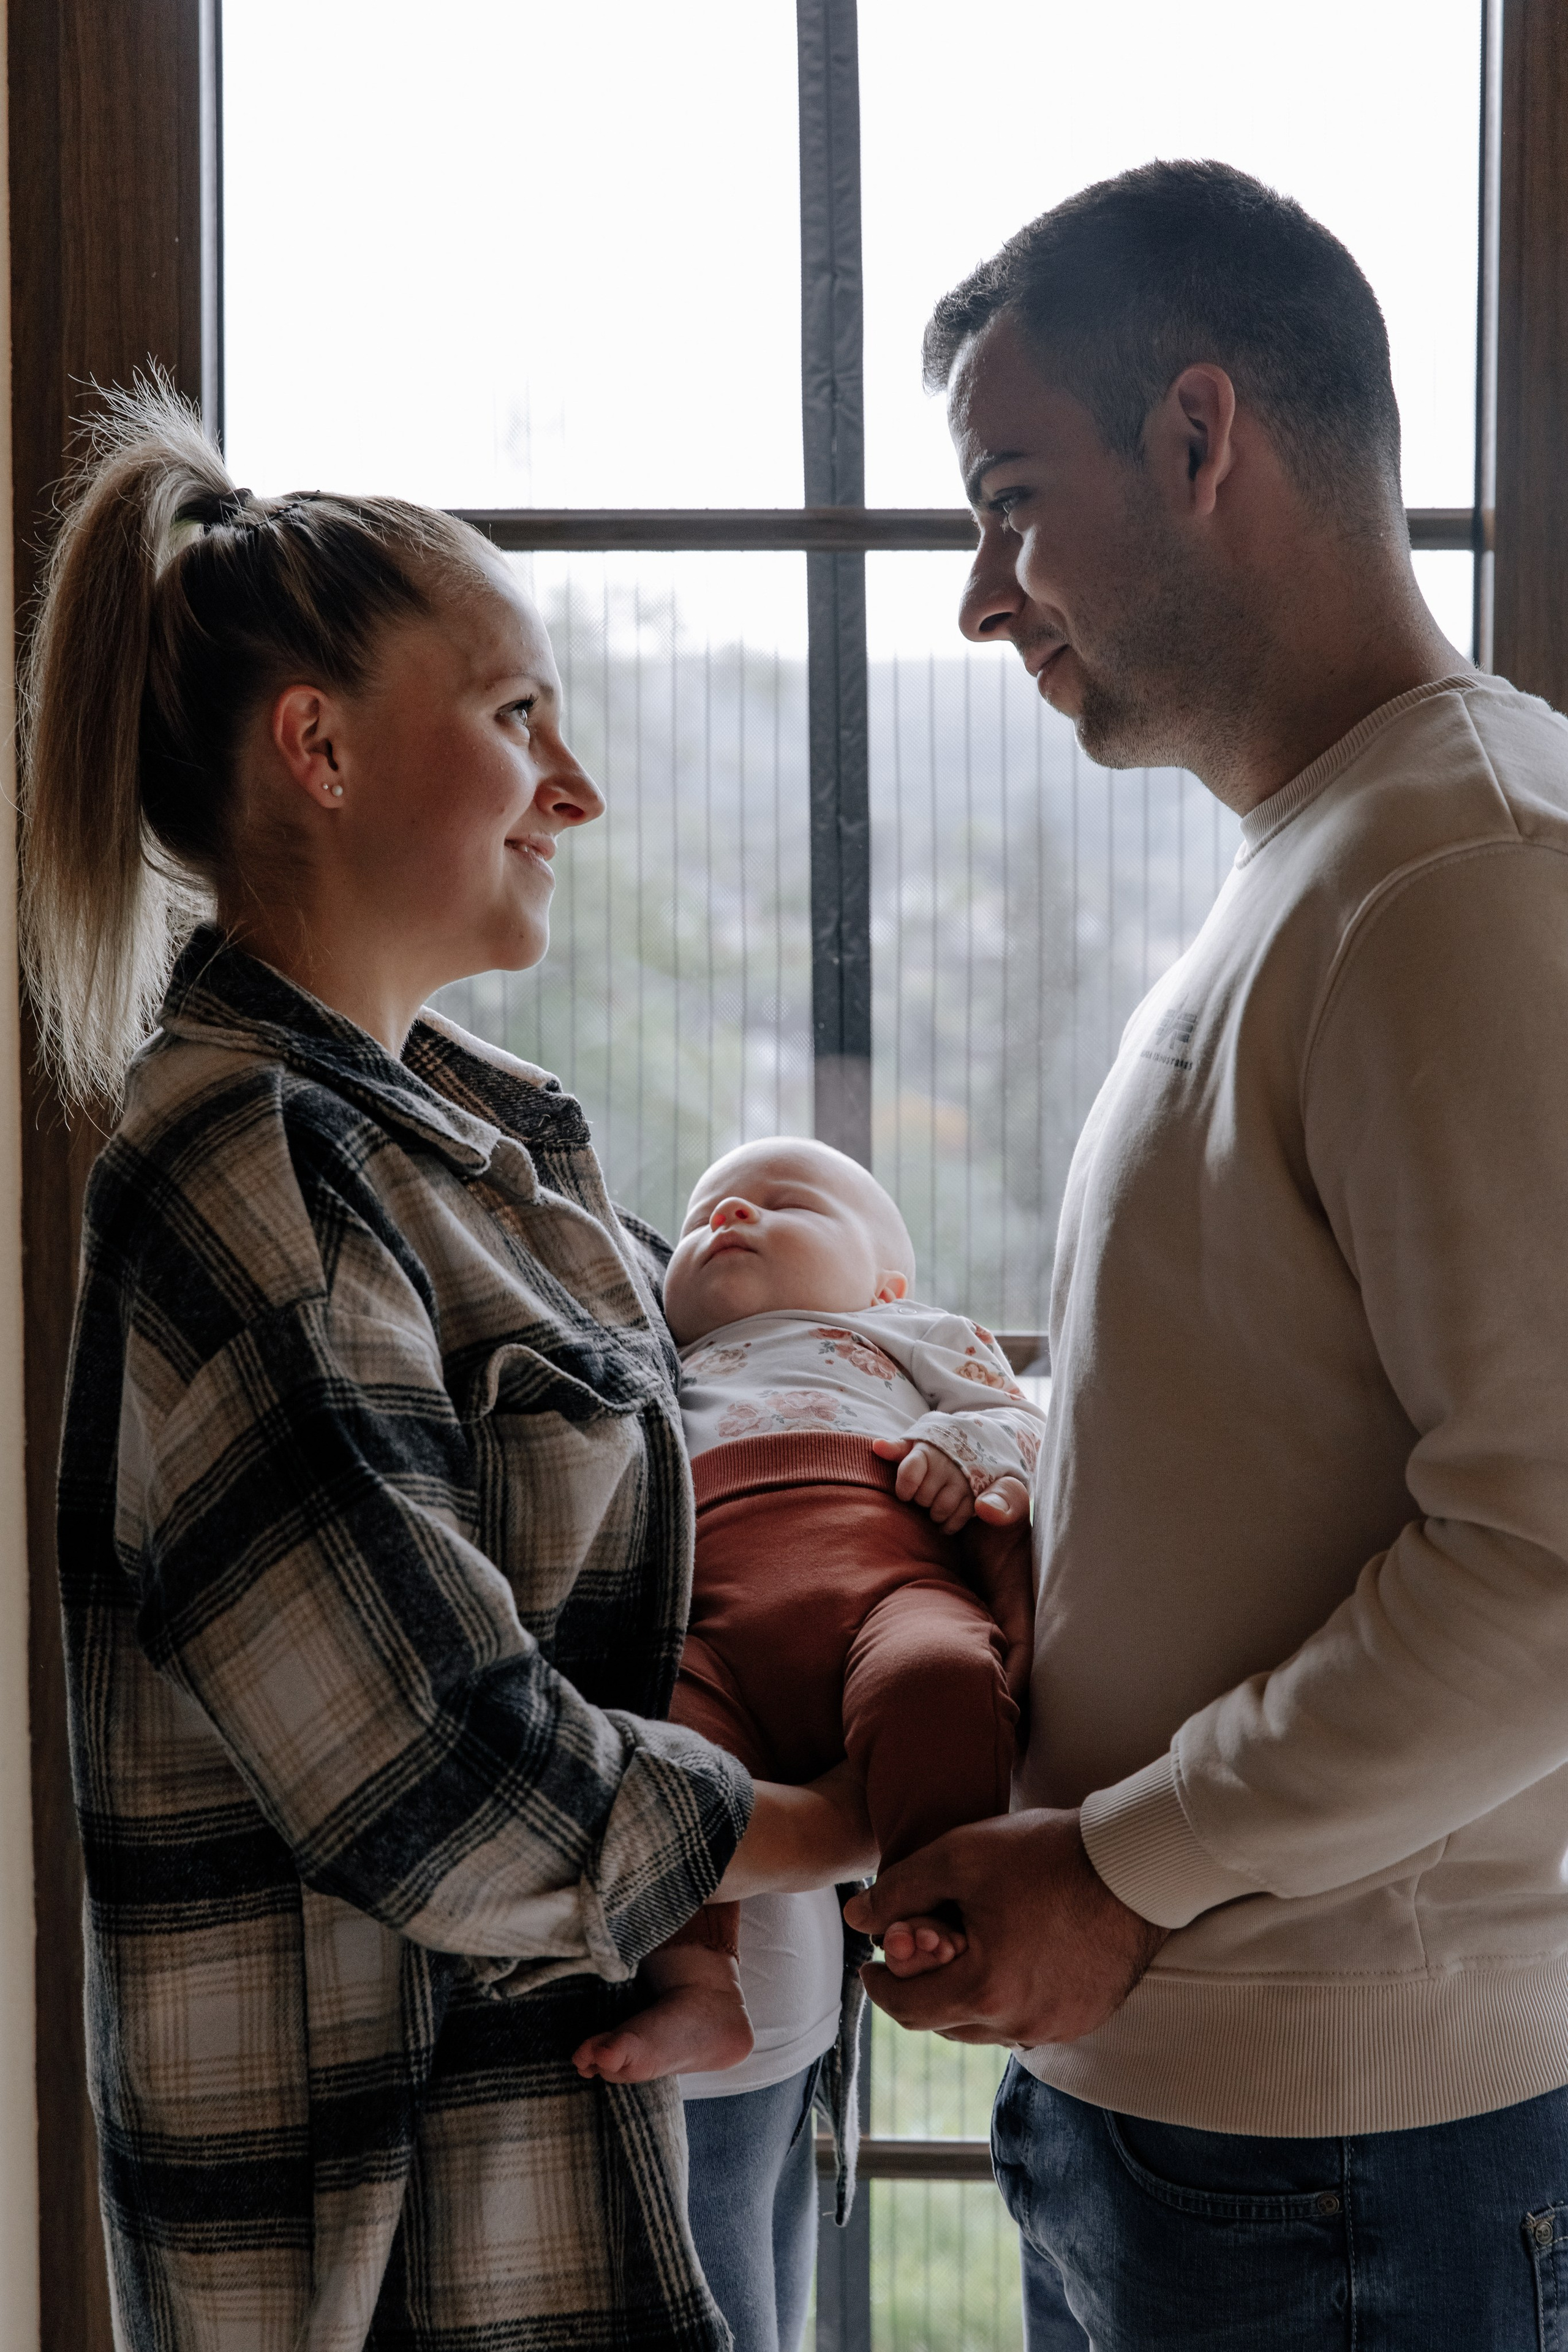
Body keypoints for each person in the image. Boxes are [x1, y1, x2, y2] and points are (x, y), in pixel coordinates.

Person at [23, 380, 872, 2350]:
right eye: (514, 719)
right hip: (394, 2268)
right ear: (313, 746)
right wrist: (846, 1826)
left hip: (569, 2195)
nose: (573, 790)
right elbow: (442, 1776)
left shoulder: (481, 1148)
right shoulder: (250, 1170)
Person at [847, 159, 1568, 2350]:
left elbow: (1548, 1556)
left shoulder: (1460, 877)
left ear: (1197, 438)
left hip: (1341, 2169)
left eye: (1008, 498)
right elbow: (1293, 1420)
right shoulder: (1336, 863)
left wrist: (1114, 1868)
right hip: (1231, 2139)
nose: (985, 595)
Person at [576, 1136, 1039, 2352]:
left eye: (787, 1201)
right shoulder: (660, 1365)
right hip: (715, 1636)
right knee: (664, 1757)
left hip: (876, 1595)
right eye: (701, 1213)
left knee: (942, 1676)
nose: (729, 1208)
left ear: (887, 1281)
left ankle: (936, 1903)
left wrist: (970, 1456)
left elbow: (1025, 1431)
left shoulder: (909, 1339)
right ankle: (698, 1985)